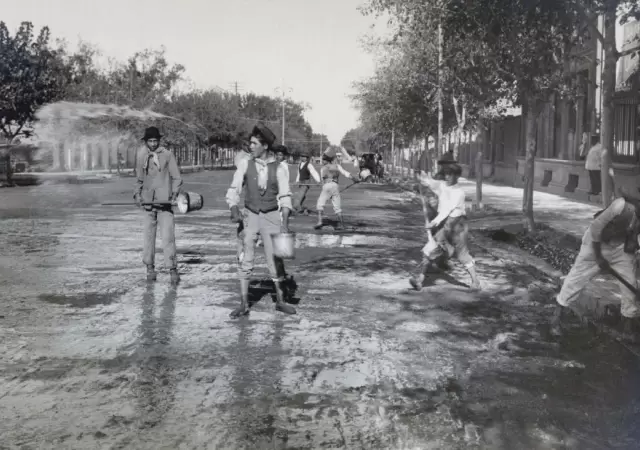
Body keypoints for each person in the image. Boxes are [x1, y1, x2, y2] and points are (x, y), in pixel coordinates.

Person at [226, 123, 296, 318]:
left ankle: (281, 301)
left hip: (272, 216)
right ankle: (243, 303)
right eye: (251, 143)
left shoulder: (279, 168)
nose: (251, 146)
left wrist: (284, 223)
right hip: (250, 215)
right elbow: (234, 189)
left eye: (255, 143)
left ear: (265, 146)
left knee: (276, 259)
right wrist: (233, 208)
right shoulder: (245, 164)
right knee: (244, 257)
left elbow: (285, 197)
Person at [554, 187, 640, 329]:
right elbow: (595, 228)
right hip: (596, 243)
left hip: (622, 249)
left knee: (629, 284)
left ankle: (628, 326)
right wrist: (599, 257)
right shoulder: (621, 206)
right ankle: (557, 317)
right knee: (576, 279)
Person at [409, 164, 481, 290]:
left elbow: (446, 210)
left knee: (462, 255)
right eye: (446, 174)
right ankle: (420, 280)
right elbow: (430, 183)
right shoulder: (442, 185)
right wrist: (422, 178)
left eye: (451, 174)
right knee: (430, 248)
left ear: (457, 176)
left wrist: (434, 222)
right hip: (446, 224)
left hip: (458, 225)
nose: (447, 177)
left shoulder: (459, 193)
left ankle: (476, 282)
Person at [134, 126, 183, 284]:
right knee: (148, 237)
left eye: (156, 141)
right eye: (150, 141)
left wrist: (174, 193)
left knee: (168, 237)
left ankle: (172, 270)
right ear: (146, 141)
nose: (153, 144)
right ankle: (150, 269)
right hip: (148, 203)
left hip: (165, 203)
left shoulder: (167, 155)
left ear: (159, 141)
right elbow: (139, 179)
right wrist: (137, 194)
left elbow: (176, 177)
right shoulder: (142, 155)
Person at [315, 147, 357, 230]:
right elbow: (346, 173)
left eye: (323, 160)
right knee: (337, 207)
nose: (322, 161)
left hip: (327, 186)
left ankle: (320, 222)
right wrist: (355, 179)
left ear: (327, 160)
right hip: (335, 186)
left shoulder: (323, 168)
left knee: (320, 204)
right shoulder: (337, 166)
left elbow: (323, 181)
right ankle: (342, 224)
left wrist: (324, 188)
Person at [293, 150, 321, 214]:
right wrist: (297, 181)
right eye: (302, 156)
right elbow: (299, 174)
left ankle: (297, 207)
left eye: (304, 156)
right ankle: (305, 209)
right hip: (301, 182)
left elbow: (314, 172)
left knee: (299, 196)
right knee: (303, 196)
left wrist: (318, 180)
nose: (303, 158)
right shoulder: (299, 164)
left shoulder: (309, 165)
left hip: (306, 183)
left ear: (307, 158)